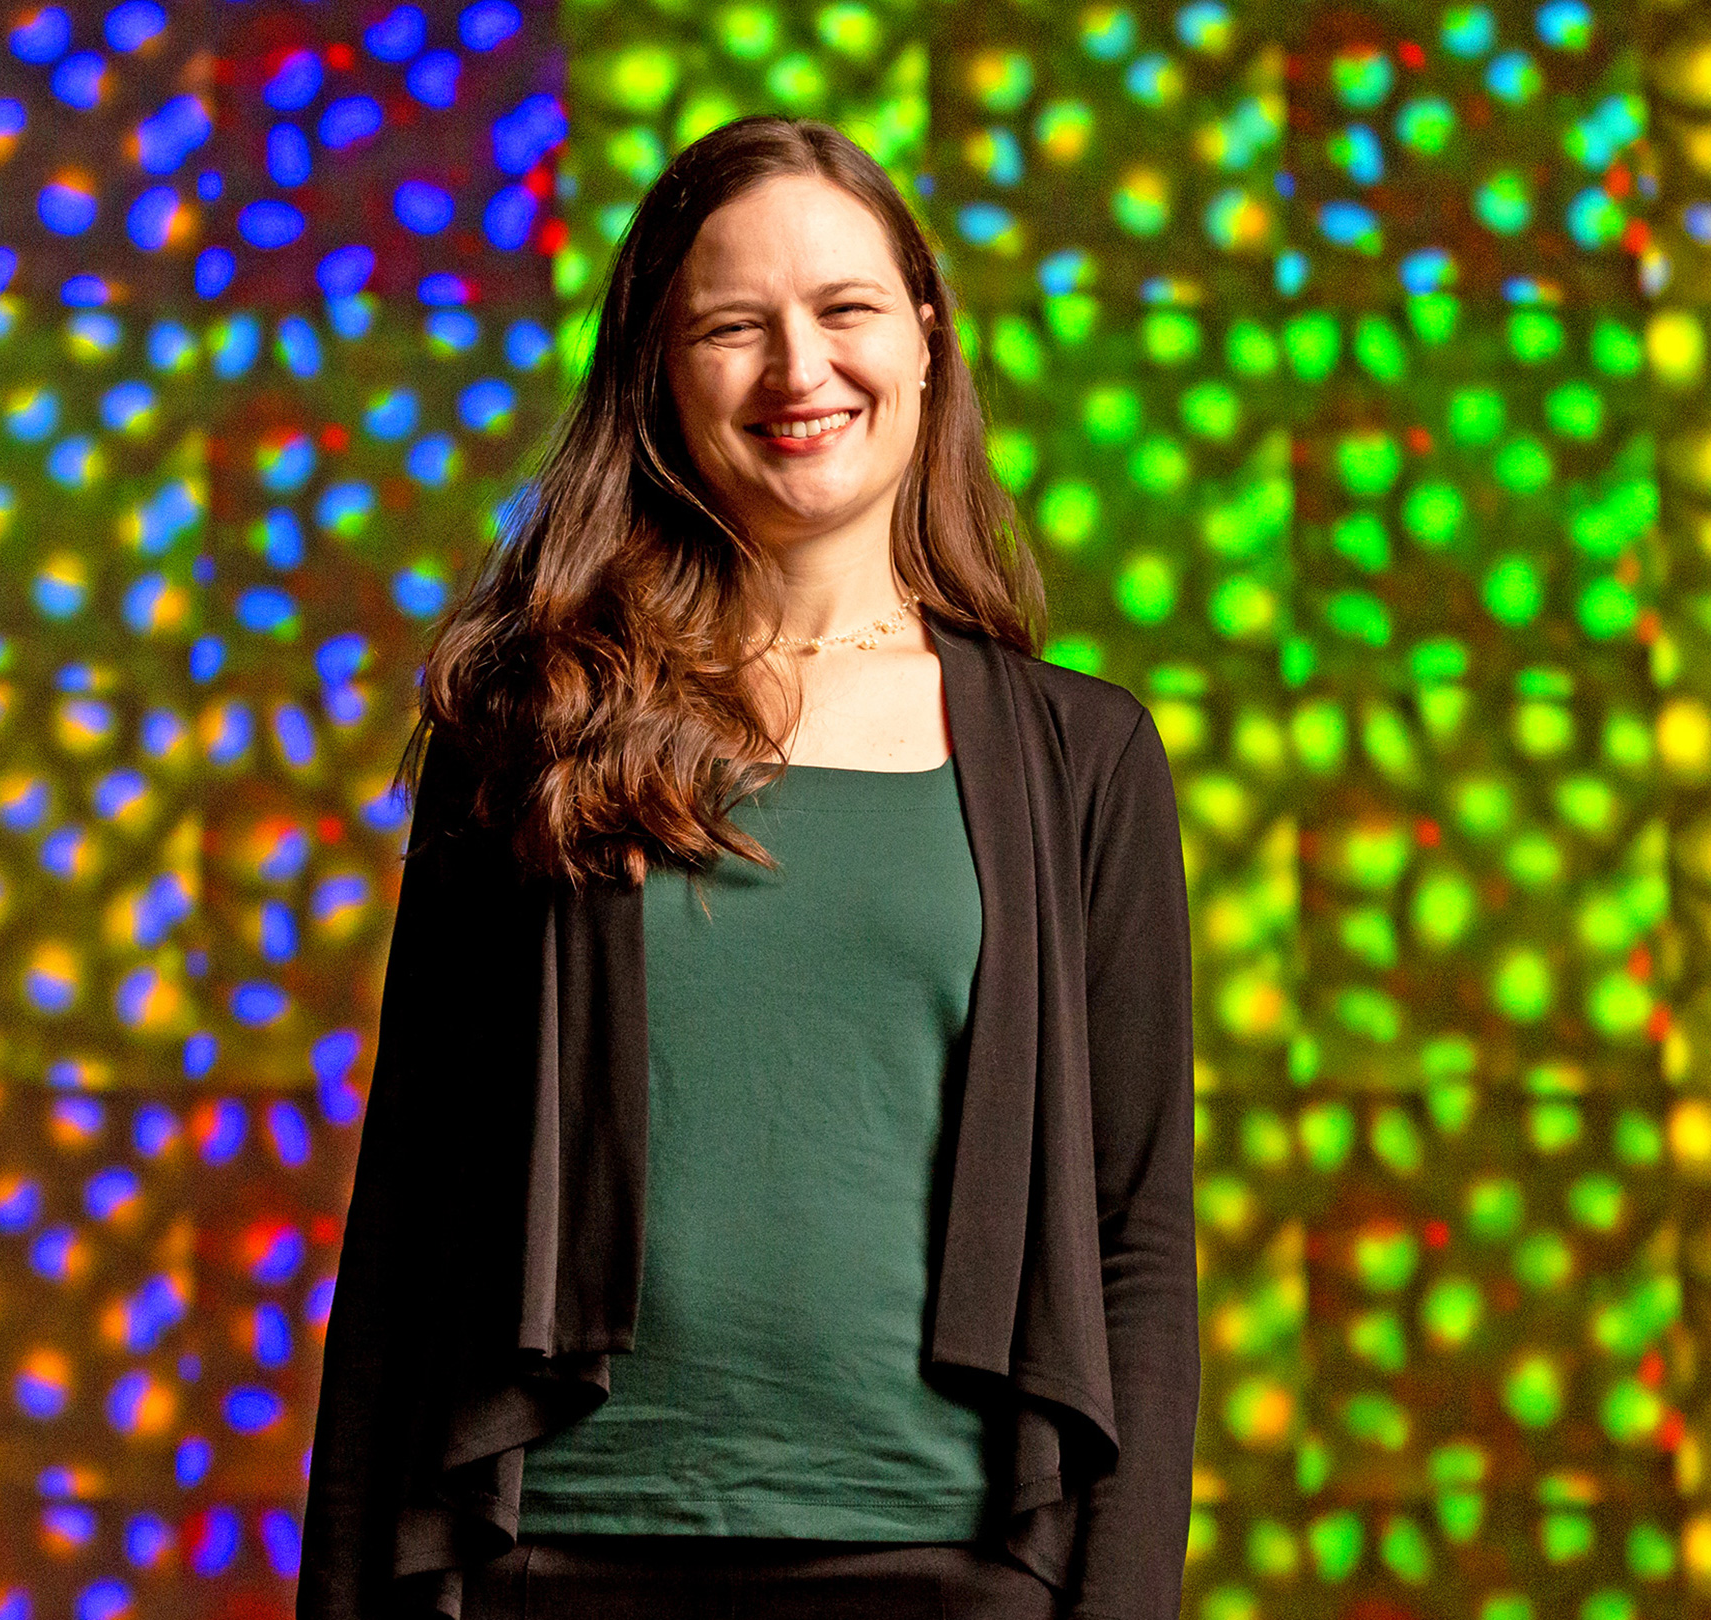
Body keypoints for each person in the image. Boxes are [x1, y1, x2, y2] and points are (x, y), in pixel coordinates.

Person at [296, 115, 1198, 1620]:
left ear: (924, 337)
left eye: (845, 310)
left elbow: (1136, 1244)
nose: (800, 371)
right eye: (734, 326)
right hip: (558, 1560)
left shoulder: (1080, 761)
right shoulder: (529, 725)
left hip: (948, 1565)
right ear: (659, 367)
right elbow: (405, 1212)